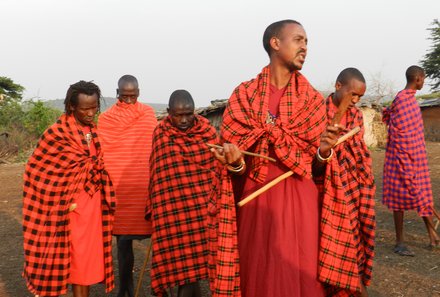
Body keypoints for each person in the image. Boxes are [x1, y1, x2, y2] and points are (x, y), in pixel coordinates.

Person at [212, 20, 341, 297]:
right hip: (256, 200)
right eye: (298, 40)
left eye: (306, 42)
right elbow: (235, 170)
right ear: (275, 43)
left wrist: (324, 151)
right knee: (257, 271)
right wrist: (234, 161)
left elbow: (317, 170)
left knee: (301, 273)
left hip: (301, 201)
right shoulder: (243, 96)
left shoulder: (311, 100)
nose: (305, 47)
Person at [22, 81, 116, 297]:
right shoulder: (57, 133)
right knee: (72, 260)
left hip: (92, 208)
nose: (91, 113)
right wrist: (63, 198)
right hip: (68, 209)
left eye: (94, 108)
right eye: (85, 108)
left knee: (87, 262)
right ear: (71, 106)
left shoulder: (92, 131)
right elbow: (36, 171)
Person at [147, 90, 217, 297]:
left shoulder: (208, 134)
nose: (184, 120)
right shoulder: (161, 135)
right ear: (169, 112)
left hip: (200, 215)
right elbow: (158, 178)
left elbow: (216, 175)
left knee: (193, 270)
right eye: (178, 115)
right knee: (179, 269)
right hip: (171, 216)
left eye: (188, 114)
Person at [318, 68, 376, 297]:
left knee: (358, 241)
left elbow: (359, 153)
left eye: (360, 98)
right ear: (338, 86)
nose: (355, 101)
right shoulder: (317, 113)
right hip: (329, 191)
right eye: (352, 95)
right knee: (340, 247)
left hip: (355, 188)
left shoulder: (357, 116)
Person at [98, 75, 157, 297]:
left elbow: (152, 148)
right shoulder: (106, 119)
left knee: (158, 240)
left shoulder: (148, 114)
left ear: (139, 93)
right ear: (117, 93)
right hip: (119, 190)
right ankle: (125, 287)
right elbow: (106, 153)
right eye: (125, 96)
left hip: (144, 189)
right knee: (122, 241)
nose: (129, 100)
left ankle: (161, 287)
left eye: (132, 96)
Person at [382, 65, 440, 256]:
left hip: (416, 159)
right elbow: (400, 135)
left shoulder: (408, 100)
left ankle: (432, 234)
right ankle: (399, 242)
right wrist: (407, 165)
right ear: (418, 79)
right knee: (399, 200)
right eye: (423, 79)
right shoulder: (404, 101)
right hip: (401, 159)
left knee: (423, 195)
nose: (424, 82)